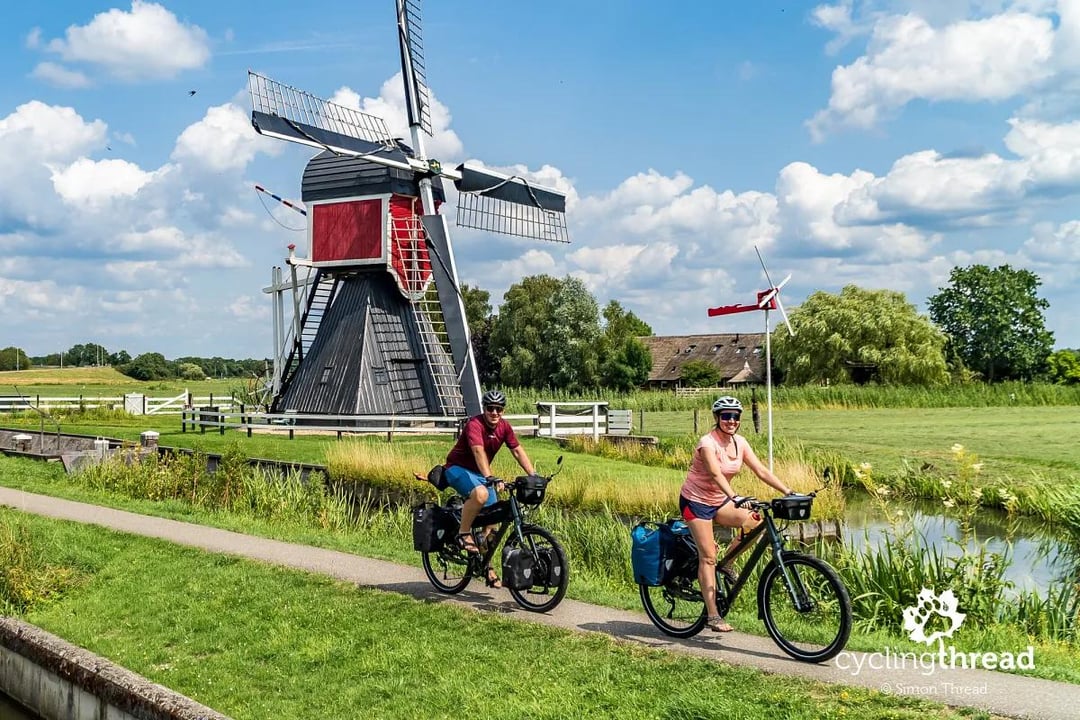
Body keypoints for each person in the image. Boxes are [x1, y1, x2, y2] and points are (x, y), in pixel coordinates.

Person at [678, 395, 795, 633]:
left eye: (735, 416)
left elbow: (761, 470)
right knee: (708, 556)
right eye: (726, 416)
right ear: (717, 418)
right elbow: (715, 474)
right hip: (696, 502)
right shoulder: (707, 443)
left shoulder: (739, 442)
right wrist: (734, 496)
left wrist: (788, 491)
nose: (731, 420)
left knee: (754, 520)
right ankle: (713, 615)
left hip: (719, 501)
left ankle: (728, 562)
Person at [443, 389, 536, 589]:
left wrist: (533, 475)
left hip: (480, 473)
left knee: (491, 524)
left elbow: (517, 451)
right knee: (481, 493)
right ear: (484, 408)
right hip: (457, 468)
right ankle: (463, 533)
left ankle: (487, 568)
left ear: (503, 411)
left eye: (498, 409)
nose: (494, 412)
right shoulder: (474, 424)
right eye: (490, 408)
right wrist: (489, 477)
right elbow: (478, 451)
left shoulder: (504, 427)